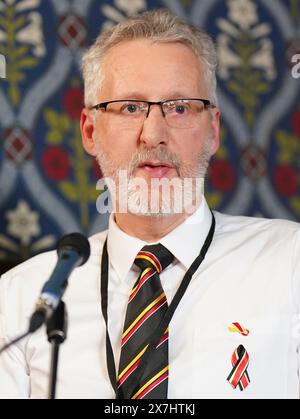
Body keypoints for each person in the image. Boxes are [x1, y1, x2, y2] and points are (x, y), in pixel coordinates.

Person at [0, 8, 299, 400]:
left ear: (212, 131)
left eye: (179, 107)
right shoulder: (20, 299)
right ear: (90, 131)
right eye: (129, 107)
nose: (153, 134)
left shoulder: (290, 263)